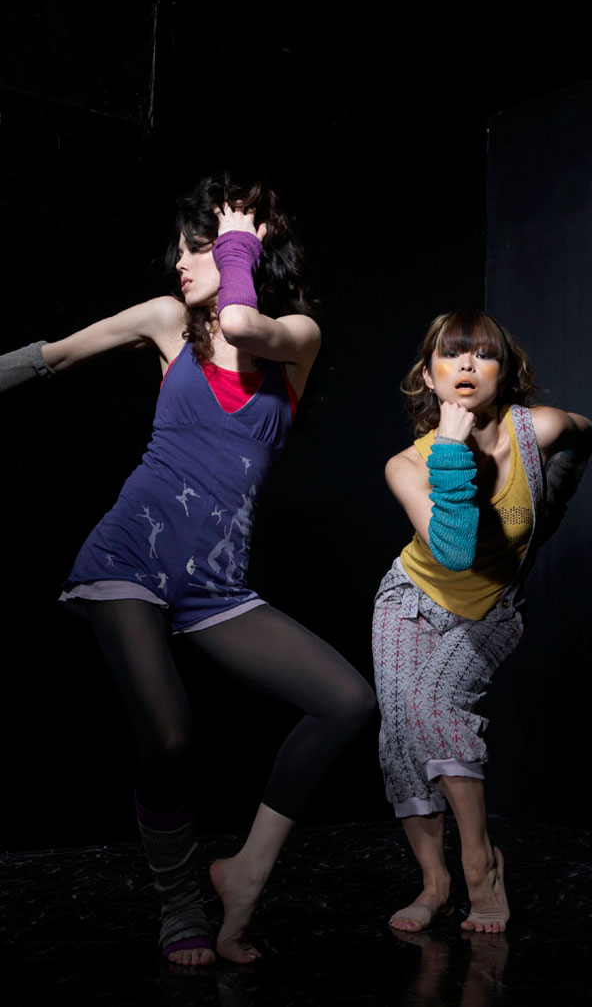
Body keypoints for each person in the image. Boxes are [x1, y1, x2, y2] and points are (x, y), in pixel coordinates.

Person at [0, 172, 375, 966]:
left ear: (248, 248)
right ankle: (178, 900)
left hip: (215, 585)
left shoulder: (296, 338)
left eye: (197, 244)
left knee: (346, 701)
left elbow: (242, 322)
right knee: (169, 737)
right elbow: (51, 357)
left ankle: (244, 873)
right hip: (128, 558)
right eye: (181, 247)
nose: (179, 260)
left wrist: (238, 243)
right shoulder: (169, 323)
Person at [372, 309, 592, 934]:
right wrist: (449, 447)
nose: (467, 364)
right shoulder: (408, 464)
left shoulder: (539, 429)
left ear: (505, 372)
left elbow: (584, 433)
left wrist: (552, 502)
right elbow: (455, 550)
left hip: (490, 609)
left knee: (432, 708)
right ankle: (435, 883)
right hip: (410, 599)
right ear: (428, 376)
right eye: (451, 353)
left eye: (483, 354)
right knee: (400, 733)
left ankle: (480, 866)